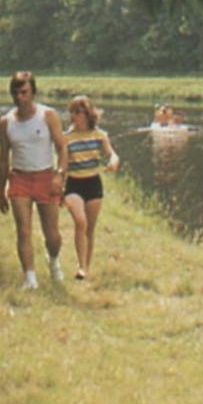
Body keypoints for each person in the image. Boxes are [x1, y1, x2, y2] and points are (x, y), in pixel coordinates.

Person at [0, 71, 68, 289]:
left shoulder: (48, 116)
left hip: (46, 177)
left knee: (52, 235)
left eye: (24, 92)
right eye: (16, 93)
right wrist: (1, 190)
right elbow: (2, 158)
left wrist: (60, 175)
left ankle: (53, 260)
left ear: (33, 93)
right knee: (23, 230)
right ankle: (30, 278)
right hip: (20, 179)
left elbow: (62, 147)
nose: (20, 97)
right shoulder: (5, 122)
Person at [61, 94, 121, 281]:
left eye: (78, 112)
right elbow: (62, 164)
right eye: (72, 112)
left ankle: (86, 266)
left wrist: (112, 163)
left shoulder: (100, 135)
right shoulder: (66, 138)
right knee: (80, 221)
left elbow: (113, 156)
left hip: (93, 183)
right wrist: (58, 186)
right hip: (73, 184)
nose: (74, 116)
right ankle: (81, 266)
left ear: (88, 114)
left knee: (89, 229)